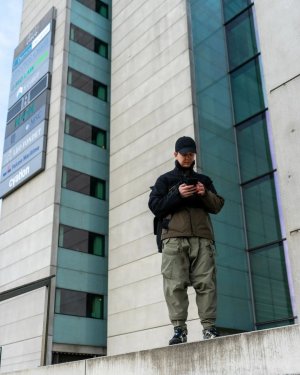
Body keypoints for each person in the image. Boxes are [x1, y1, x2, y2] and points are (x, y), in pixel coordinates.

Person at [148, 136, 224, 345]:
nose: (188, 158)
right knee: (174, 285)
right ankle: (179, 330)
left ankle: (209, 328)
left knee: (207, 283)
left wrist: (204, 193)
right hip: (173, 239)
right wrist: (178, 194)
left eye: (191, 154)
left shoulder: (204, 180)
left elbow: (217, 206)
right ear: (175, 154)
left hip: (202, 239)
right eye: (184, 154)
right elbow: (155, 206)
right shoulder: (164, 180)